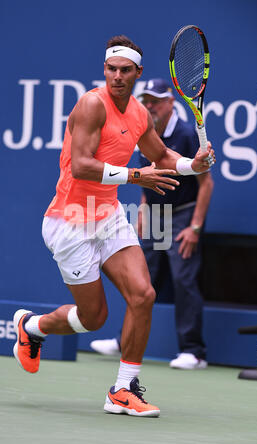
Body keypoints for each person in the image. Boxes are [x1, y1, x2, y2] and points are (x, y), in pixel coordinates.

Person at [13, 36, 215, 418]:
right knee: (94, 319)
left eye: (125, 70)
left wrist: (192, 165)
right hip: (70, 219)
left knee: (143, 295)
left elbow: (163, 155)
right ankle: (32, 326)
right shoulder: (92, 104)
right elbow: (81, 165)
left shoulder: (140, 113)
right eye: (111, 69)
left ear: (138, 73)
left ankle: (123, 390)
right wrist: (137, 176)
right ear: (105, 70)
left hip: (106, 215)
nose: (117, 77)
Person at [90, 78, 214, 370]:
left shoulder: (185, 134)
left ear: (171, 102)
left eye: (157, 100)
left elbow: (206, 184)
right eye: (146, 101)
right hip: (155, 214)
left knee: (184, 280)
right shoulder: (141, 130)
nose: (150, 106)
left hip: (183, 215)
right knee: (140, 279)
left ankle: (194, 353)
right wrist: (144, 211)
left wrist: (195, 227)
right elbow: (150, 176)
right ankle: (123, 341)